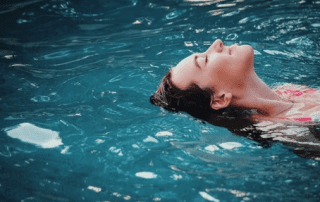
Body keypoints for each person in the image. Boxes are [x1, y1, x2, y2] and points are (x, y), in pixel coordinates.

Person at [150, 39, 320, 125]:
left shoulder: (288, 90)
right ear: (220, 99)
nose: (217, 43)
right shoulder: (282, 127)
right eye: (206, 59)